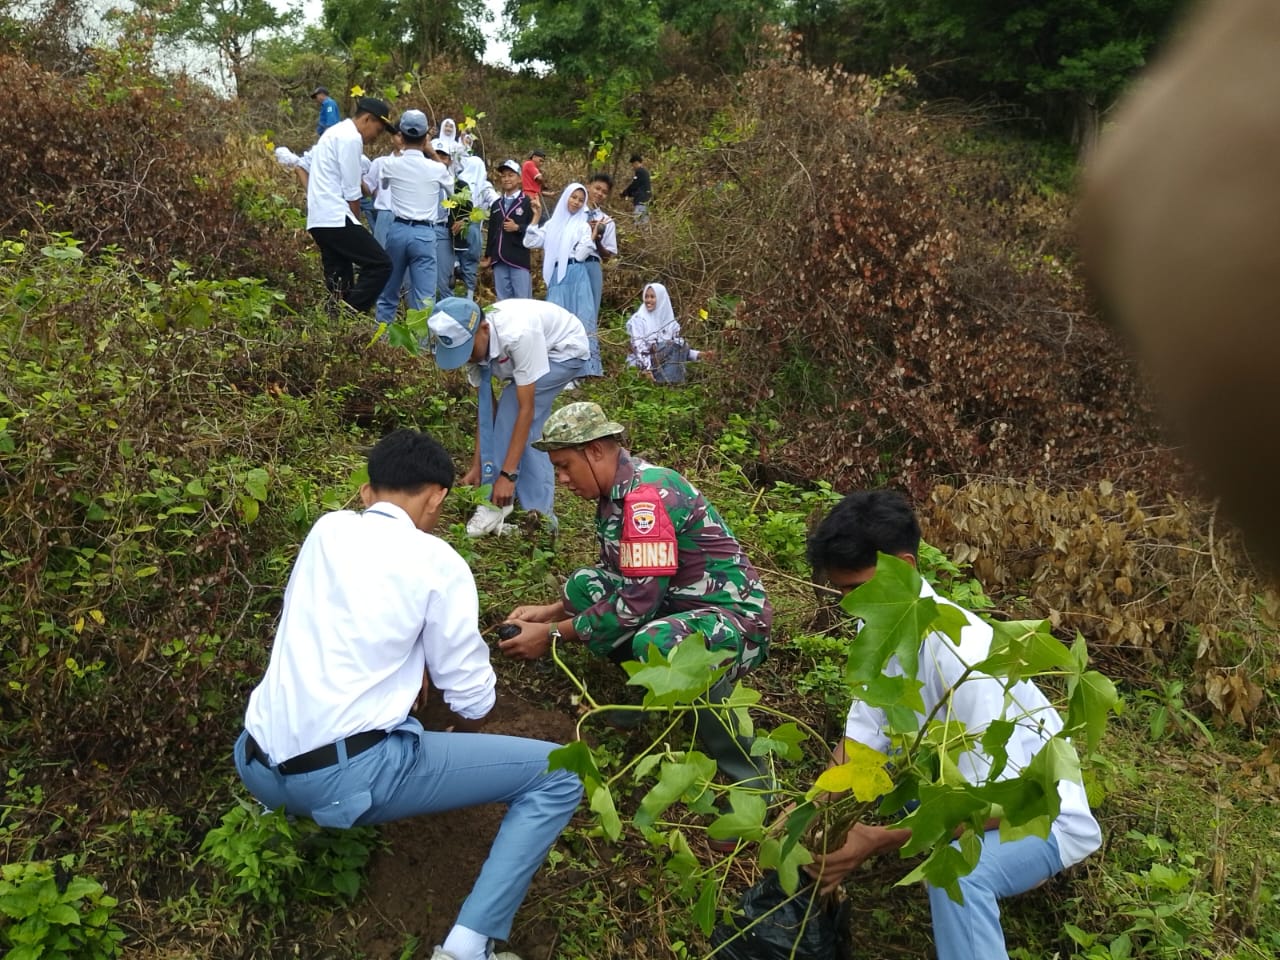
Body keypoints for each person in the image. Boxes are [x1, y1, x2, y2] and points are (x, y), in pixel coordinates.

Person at [234, 428, 583, 960]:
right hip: (338, 781)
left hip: (256, 766)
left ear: (370, 491)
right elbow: (472, 701)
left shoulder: (326, 530)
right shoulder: (437, 562)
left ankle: (271, 819)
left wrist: (412, 658)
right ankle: (468, 948)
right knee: (560, 773)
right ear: (437, 495)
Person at [804, 490, 1103, 960]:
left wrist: (879, 840)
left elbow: (986, 806)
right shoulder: (880, 625)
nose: (851, 607)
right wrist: (805, 815)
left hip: (1038, 815)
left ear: (904, 567)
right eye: (842, 594)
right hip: (962, 797)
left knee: (960, 877)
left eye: (857, 590)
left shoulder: (966, 654)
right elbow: (862, 740)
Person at [498, 402, 773, 807]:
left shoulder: (647, 499)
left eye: (564, 465)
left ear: (594, 451)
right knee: (583, 586)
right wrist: (551, 611)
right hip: (677, 603)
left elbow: (637, 602)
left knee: (660, 641)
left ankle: (748, 781)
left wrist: (552, 634)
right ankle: (638, 701)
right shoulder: (615, 494)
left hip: (733, 622)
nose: (561, 478)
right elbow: (621, 577)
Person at [426, 298, 590, 537]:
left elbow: (526, 408)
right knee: (527, 429)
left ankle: (497, 502)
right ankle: (540, 518)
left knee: (513, 405)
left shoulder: (519, 333)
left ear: (484, 329)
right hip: (529, 352)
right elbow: (486, 410)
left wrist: (506, 475)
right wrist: (478, 465)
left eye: (468, 351)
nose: (467, 359)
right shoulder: (472, 346)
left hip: (564, 350)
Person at [306, 96, 395, 313]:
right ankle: (349, 314)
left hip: (318, 219)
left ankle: (336, 326)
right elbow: (352, 190)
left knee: (340, 284)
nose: (376, 137)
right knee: (381, 264)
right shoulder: (350, 138)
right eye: (378, 130)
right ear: (367, 119)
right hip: (336, 217)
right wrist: (357, 224)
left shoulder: (333, 133)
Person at [374, 110, 454, 326]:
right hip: (425, 234)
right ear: (426, 136)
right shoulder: (436, 168)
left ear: (401, 134)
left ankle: (381, 343)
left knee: (388, 292)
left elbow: (383, 186)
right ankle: (420, 351)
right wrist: (432, 153)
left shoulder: (389, 164)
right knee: (424, 298)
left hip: (398, 229)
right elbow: (452, 187)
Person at [523, 184, 601, 377]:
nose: (576, 202)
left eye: (580, 200)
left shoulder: (582, 225)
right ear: (566, 197)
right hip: (558, 277)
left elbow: (582, 255)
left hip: (577, 274)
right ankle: (559, 371)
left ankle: (583, 370)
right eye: (573, 197)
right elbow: (530, 242)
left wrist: (591, 237)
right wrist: (536, 216)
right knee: (557, 322)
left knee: (581, 319)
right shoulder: (552, 225)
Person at [625, 282, 710, 384]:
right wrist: (646, 369)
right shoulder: (639, 319)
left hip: (659, 362)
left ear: (661, 299)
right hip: (643, 363)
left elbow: (679, 349)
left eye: (652, 297)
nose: (648, 300)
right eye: (646, 296)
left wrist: (700, 355)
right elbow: (638, 347)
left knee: (682, 344)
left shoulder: (669, 322)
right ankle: (668, 385)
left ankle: (670, 385)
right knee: (673, 345)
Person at [482, 160, 535, 301]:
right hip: (499, 259)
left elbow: (537, 229)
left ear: (519, 178)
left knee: (522, 301)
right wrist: (488, 255)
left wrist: (518, 227)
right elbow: (492, 231)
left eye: (511, 175)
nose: (506, 179)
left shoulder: (527, 202)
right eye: (504, 176)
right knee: (503, 301)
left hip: (518, 259)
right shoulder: (496, 204)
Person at [456, 152, 497, 300]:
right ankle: (469, 296)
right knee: (470, 265)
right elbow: (496, 202)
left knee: (454, 261)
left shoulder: (458, 181)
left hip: (456, 226)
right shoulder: (484, 185)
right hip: (473, 228)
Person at [584, 173, 618, 323]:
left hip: (592, 264)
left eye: (604, 192)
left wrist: (597, 239)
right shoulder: (573, 212)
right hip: (570, 263)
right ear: (588, 186)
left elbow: (607, 256)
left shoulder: (607, 221)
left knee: (590, 308)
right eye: (597, 188)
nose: (599, 194)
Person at [621, 153, 651, 222]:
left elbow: (634, 185)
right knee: (644, 220)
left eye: (633, 164)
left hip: (641, 199)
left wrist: (625, 192)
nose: (633, 167)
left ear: (636, 163)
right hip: (645, 199)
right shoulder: (644, 172)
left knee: (639, 221)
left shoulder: (640, 172)